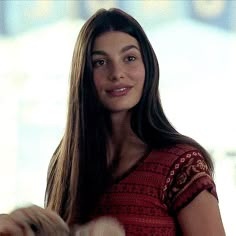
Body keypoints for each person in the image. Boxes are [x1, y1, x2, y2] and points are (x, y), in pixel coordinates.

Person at [0, 8, 225, 236]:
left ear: (148, 66)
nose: (117, 73)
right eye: (100, 62)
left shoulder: (182, 164)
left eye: (129, 58)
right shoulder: (65, 162)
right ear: (84, 74)